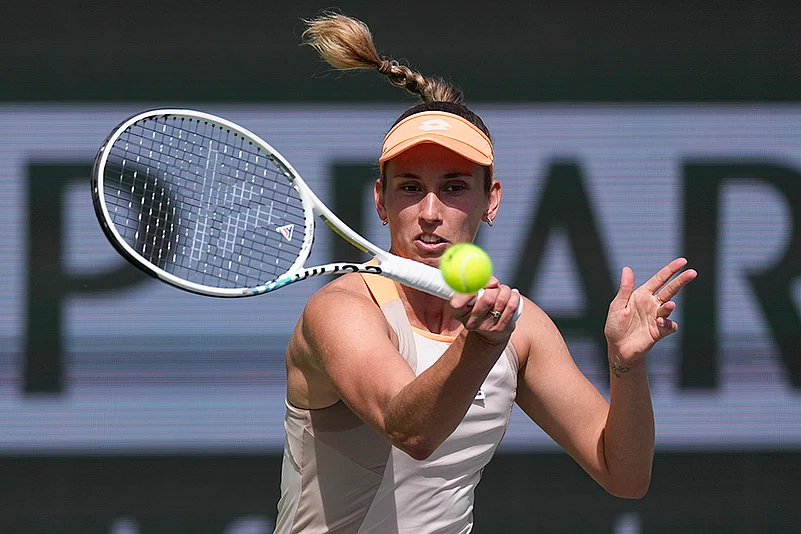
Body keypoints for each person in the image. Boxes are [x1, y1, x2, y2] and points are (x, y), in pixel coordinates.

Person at [275, 12, 697, 534]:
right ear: (381, 201)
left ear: (489, 201)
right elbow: (411, 432)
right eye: (410, 187)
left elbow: (624, 475)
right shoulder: (340, 311)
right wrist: (478, 346)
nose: (431, 212)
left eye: (454, 187)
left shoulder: (524, 329)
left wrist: (626, 369)